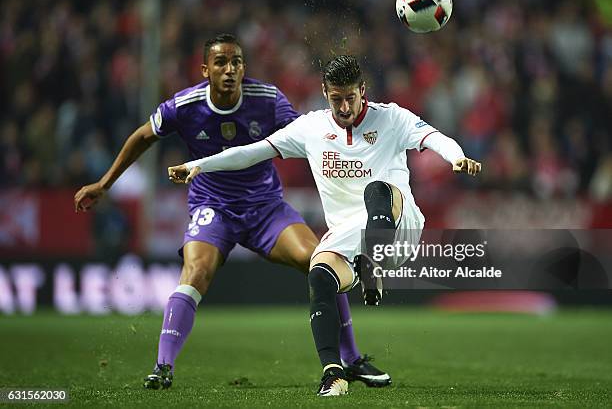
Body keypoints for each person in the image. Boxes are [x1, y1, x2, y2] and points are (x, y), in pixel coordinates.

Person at [74, 36, 391, 390]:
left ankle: (350, 360)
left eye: (237, 62)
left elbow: (311, 135)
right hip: (214, 207)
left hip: (266, 209)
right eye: (221, 62)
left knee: (321, 261)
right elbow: (142, 137)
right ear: (205, 69)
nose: (230, 69)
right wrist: (105, 183)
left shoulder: (267, 99)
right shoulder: (185, 105)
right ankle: (163, 366)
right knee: (196, 270)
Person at [168, 54, 482, 396]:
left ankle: (373, 262)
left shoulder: (392, 118)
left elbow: (434, 137)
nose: (344, 107)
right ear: (324, 92)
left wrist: (456, 157)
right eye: (336, 99)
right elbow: (252, 151)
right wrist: (200, 165)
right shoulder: (311, 128)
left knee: (378, 190)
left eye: (351, 98)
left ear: (363, 91)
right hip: (350, 238)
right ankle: (333, 373)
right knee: (319, 273)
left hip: (398, 227)